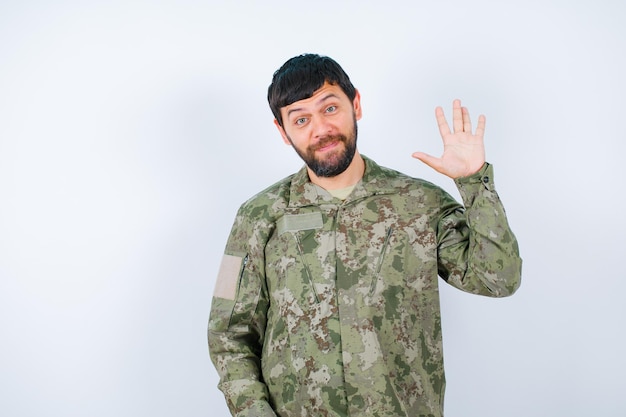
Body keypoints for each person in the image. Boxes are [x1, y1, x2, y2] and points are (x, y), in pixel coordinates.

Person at [208, 53, 522, 417]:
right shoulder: (256, 216)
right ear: (283, 131)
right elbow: (227, 334)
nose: (320, 129)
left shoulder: (419, 203)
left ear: (355, 104)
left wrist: (474, 181)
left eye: (330, 108)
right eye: (301, 119)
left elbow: (498, 279)